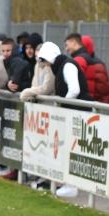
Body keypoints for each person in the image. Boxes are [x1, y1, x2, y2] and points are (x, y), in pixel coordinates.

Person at [37, 41, 92, 198]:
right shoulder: (61, 66)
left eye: (44, 59)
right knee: (69, 149)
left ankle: (72, 185)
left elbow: (74, 89)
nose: (44, 64)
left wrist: (63, 105)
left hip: (78, 114)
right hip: (74, 113)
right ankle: (69, 184)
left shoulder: (67, 66)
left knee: (73, 149)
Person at [64, 33, 109, 103]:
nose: (66, 49)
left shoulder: (80, 60)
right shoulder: (100, 63)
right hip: (99, 104)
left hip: (87, 104)